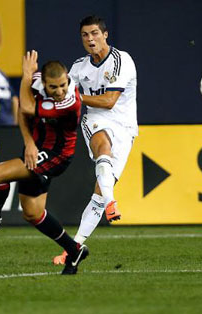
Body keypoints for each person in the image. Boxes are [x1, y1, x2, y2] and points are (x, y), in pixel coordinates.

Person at [0, 50, 88, 275]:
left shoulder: (70, 101)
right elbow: (23, 115)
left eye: (63, 84)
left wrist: (24, 77)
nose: (60, 91)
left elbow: (26, 108)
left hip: (57, 154)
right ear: (44, 83)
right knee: (32, 212)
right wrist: (29, 143)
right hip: (36, 149)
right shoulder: (35, 82)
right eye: (54, 87)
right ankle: (74, 249)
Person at [52, 15, 138, 265]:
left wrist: (75, 96)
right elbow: (62, 91)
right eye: (85, 35)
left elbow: (110, 101)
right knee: (102, 146)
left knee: (99, 194)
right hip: (95, 120)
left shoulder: (122, 60)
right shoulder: (79, 67)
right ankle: (113, 203)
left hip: (125, 126)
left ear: (105, 35)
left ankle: (73, 247)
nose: (90, 39)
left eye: (94, 34)